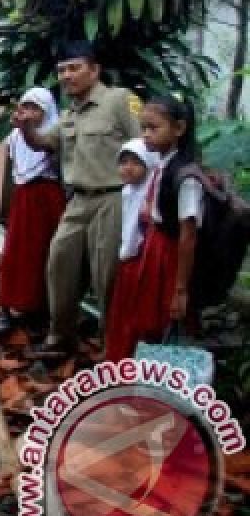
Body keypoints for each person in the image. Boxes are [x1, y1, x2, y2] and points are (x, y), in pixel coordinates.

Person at [14, 40, 140, 357]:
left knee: (107, 274)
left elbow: (146, 144)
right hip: (78, 200)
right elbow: (44, 143)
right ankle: (62, 338)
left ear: (94, 70)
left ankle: (113, 349)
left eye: (74, 68)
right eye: (61, 70)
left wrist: (146, 197)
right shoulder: (70, 114)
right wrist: (27, 129)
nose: (66, 75)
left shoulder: (120, 100)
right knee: (59, 262)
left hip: (113, 198)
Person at [111, 95, 205, 348]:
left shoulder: (186, 178)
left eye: (153, 128)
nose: (146, 135)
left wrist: (180, 289)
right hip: (155, 249)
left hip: (170, 256)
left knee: (160, 319)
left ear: (179, 129)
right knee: (143, 317)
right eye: (143, 128)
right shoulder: (162, 165)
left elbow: (188, 235)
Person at [0, 87, 66, 335]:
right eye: (26, 107)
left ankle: (39, 312)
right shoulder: (15, 137)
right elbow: (16, 168)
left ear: (46, 111)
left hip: (48, 198)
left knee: (44, 254)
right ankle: (9, 306)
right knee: (16, 250)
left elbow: (52, 158)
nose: (30, 113)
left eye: (36, 108)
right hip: (24, 198)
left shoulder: (56, 135)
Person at [103, 138, 159, 362]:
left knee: (135, 316)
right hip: (128, 260)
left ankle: (130, 362)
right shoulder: (127, 192)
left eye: (135, 162)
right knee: (121, 314)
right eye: (123, 161)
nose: (127, 167)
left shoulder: (151, 195)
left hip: (142, 262)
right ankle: (117, 358)